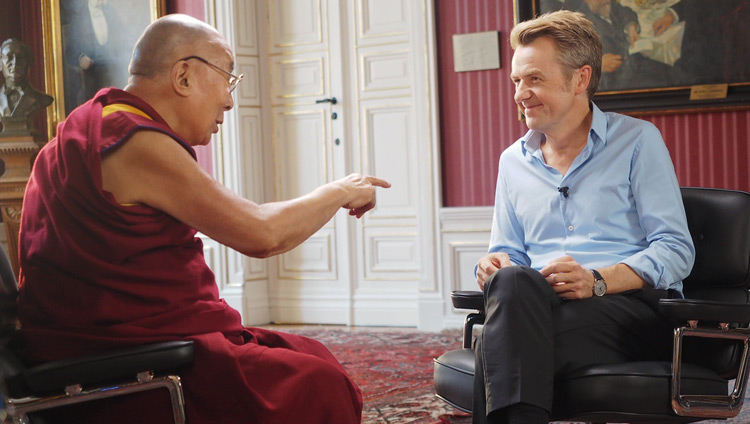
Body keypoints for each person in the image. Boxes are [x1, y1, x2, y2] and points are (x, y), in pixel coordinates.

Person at [16, 14, 389, 424]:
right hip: (116, 363)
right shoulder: (133, 140)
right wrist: (337, 191)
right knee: (316, 383)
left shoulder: (92, 129)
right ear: (184, 76)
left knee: (309, 355)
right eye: (228, 77)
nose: (230, 100)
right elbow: (262, 233)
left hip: (116, 341)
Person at [472, 10, 694, 424]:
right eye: (516, 81)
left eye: (534, 78)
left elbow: (676, 249)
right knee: (511, 285)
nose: (520, 93)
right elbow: (508, 252)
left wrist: (596, 281)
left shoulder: (638, 141)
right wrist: (492, 265)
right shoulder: (511, 162)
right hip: (538, 305)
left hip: (627, 308)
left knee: (501, 348)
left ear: (580, 78)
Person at [0, 38, 53, 134]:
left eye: (20, 57)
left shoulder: (42, 99)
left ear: (29, 63)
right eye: (9, 57)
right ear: (0, 63)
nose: (15, 63)